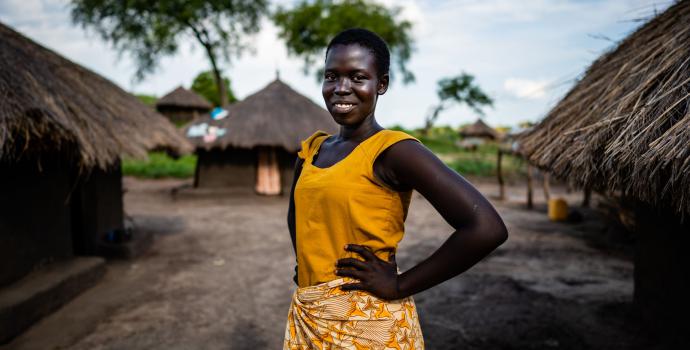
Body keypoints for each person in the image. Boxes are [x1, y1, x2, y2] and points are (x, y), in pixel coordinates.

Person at [284, 28, 508, 349]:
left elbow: (486, 228)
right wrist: (305, 266)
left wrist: (399, 284)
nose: (341, 88)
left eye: (358, 77)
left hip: (370, 325)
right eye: (332, 76)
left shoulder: (394, 150)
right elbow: (298, 215)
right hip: (310, 315)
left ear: (382, 84)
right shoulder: (312, 150)